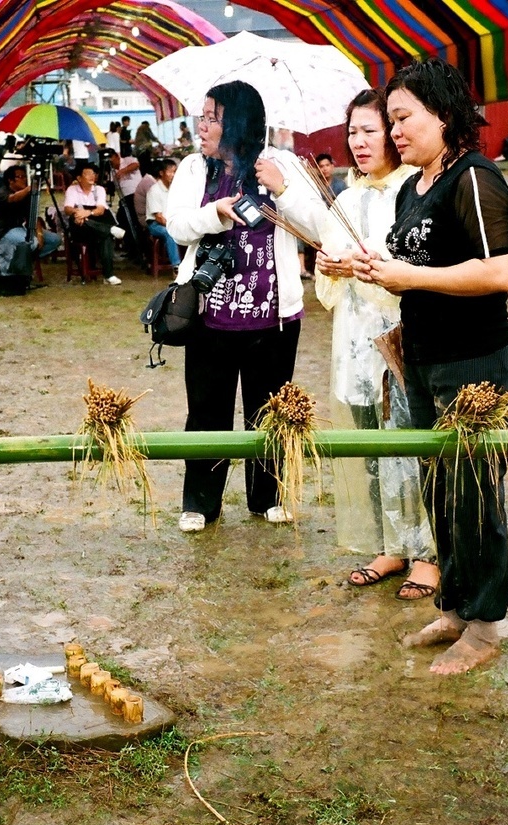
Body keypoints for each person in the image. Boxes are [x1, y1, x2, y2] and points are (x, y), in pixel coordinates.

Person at [354, 58, 508, 675]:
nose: (393, 131)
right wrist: (365, 266)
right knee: (441, 491)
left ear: (445, 116)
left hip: (480, 366)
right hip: (426, 364)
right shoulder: (412, 186)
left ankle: (484, 627)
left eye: (404, 118)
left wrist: (408, 276)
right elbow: (410, 268)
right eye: (390, 119)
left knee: (476, 495)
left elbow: (497, 272)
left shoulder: (475, 181)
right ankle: (455, 607)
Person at [166, 80, 326, 533]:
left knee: (270, 409)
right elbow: (177, 227)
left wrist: (284, 187)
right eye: (202, 116)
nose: (201, 125)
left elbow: (318, 227)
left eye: (211, 117)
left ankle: (268, 496)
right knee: (206, 411)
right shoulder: (195, 168)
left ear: (236, 122)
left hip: (273, 318)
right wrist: (215, 211)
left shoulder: (283, 163)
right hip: (208, 317)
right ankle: (200, 502)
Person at [314, 89, 439, 601]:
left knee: (409, 444)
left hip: (402, 339)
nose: (360, 142)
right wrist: (328, 267)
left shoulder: (416, 189)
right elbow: (328, 281)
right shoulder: (345, 198)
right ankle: (390, 545)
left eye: (370, 130)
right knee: (370, 446)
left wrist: (370, 267)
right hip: (354, 340)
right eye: (353, 133)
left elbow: (418, 267)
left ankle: (428, 554)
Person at [63, 163, 126, 285]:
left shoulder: (99, 190)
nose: (92, 176)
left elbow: (100, 210)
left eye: (93, 174)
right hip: (81, 229)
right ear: (79, 178)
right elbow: (67, 209)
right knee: (83, 222)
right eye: (88, 174)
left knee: (105, 236)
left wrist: (87, 213)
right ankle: (110, 229)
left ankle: (109, 275)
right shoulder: (72, 190)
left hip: (97, 225)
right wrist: (78, 212)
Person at [0, 163, 61, 268]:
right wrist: (29, 188)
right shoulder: (2, 193)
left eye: (25, 176)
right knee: (32, 243)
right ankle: (20, 263)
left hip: (23, 228)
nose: (24, 179)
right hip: (6, 231)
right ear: (10, 180)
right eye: (20, 177)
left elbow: (33, 215)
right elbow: (13, 198)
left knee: (55, 240)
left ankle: (24, 260)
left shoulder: (26, 195)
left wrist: (39, 233)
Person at [144, 158, 180, 271]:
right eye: (170, 172)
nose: (173, 175)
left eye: (175, 171)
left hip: (171, 221)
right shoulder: (154, 190)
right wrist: (174, 225)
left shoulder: (175, 189)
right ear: (161, 173)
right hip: (155, 224)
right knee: (170, 233)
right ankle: (176, 266)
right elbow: (158, 217)